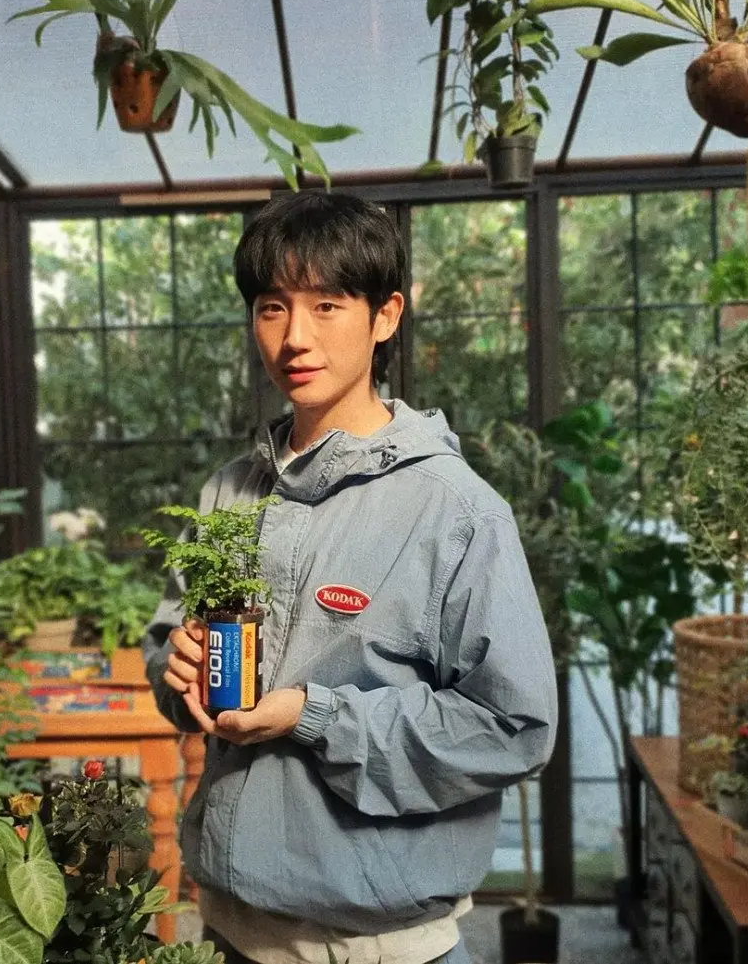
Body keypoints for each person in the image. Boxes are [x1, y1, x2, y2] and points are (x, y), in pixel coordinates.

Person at [143, 191, 558, 964]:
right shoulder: (229, 492)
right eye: (272, 307)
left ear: (386, 315)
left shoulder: (455, 509)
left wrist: (313, 714)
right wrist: (179, 666)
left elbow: (513, 727)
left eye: (327, 305)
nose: (295, 337)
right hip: (230, 930)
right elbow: (169, 651)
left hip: (382, 947)